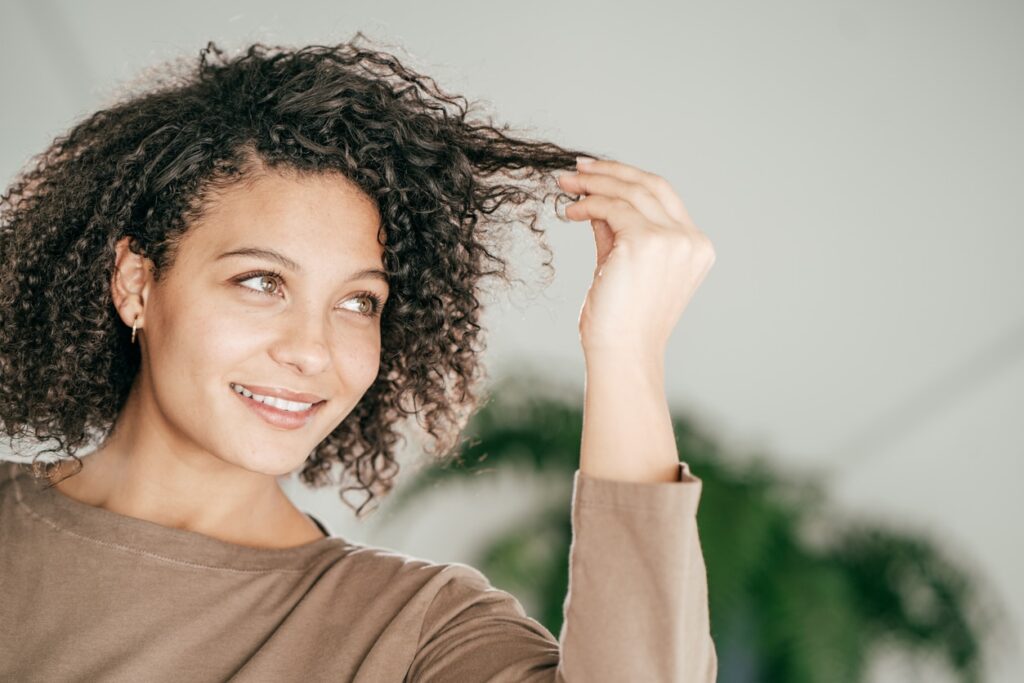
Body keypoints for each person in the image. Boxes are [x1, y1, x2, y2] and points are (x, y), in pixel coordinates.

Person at [0, 34, 718, 681]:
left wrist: (625, 350)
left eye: (358, 301)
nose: (312, 349)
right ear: (136, 283)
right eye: (260, 282)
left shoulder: (415, 631)